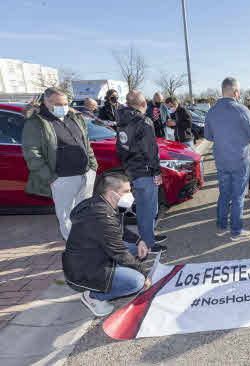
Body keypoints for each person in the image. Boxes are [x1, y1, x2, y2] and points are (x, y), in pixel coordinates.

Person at [62, 172, 151, 317]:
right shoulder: (101, 215)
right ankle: (93, 297)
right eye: (126, 191)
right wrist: (144, 273)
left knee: (137, 248)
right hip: (84, 270)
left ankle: (118, 273)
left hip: (96, 255)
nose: (131, 195)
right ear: (112, 193)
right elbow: (119, 252)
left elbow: (118, 230)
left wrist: (138, 240)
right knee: (137, 281)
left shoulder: (105, 203)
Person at [22, 87, 98, 241]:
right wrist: (51, 178)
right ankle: (75, 249)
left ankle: (86, 242)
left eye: (65, 103)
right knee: (66, 216)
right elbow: (32, 154)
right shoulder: (37, 123)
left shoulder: (74, 117)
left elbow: (86, 142)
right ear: (46, 102)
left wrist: (93, 166)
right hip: (61, 178)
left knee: (84, 213)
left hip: (85, 174)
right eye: (58, 104)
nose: (63, 107)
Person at [204, 77, 250, 241]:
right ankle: (236, 231)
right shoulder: (242, 110)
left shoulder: (212, 111)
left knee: (224, 194)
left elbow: (208, 135)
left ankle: (221, 226)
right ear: (235, 92)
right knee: (238, 196)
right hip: (239, 160)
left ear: (222, 91)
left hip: (221, 159)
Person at [116, 90, 167, 253]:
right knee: (149, 210)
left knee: (145, 208)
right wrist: (156, 171)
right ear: (144, 104)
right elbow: (150, 150)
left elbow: (120, 148)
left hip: (133, 170)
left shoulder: (122, 120)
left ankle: (148, 235)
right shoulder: (143, 121)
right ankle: (149, 243)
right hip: (144, 171)